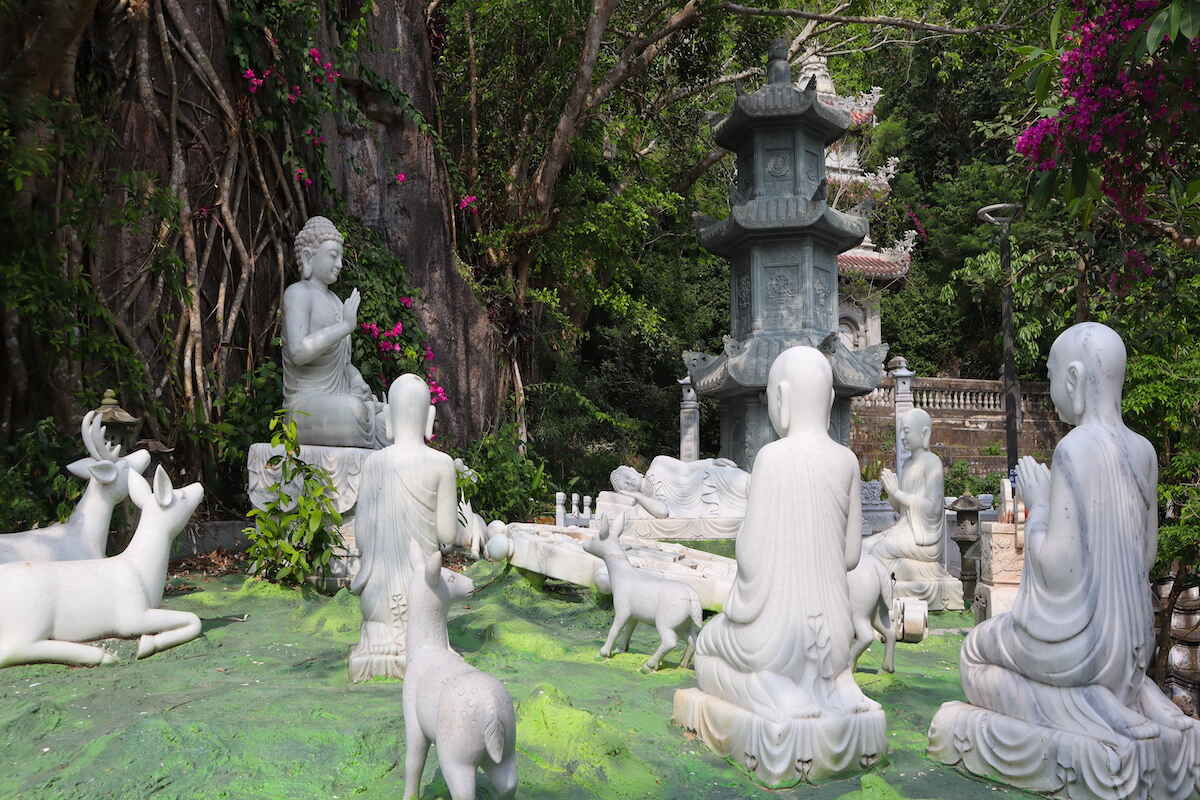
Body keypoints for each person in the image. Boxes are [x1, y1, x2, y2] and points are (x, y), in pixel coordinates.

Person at [958, 322, 1198, 747]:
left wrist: (1040, 503)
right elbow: (1146, 557)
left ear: (1072, 378)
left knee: (974, 652)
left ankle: (1088, 704)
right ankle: (1139, 694)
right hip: (1132, 647)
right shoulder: (1144, 451)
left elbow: (1057, 569)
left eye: (1050, 377)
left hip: (1079, 648)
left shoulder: (1074, 448)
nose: (1050, 389)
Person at [693, 345, 874, 720]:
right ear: (828, 400)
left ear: (782, 398)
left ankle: (774, 687)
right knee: (829, 662)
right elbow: (851, 556)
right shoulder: (847, 461)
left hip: (775, 639)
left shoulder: (771, 458)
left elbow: (751, 557)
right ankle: (839, 683)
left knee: (707, 647)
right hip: (835, 638)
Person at [348, 374, 464, 681]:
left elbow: (361, 535)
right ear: (429, 418)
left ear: (388, 418)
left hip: (376, 601)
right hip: (422, 597)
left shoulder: (374, 464)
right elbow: (447, 535)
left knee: (378, 617)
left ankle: (381, 638)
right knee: (429, 601)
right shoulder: (442, 464)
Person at [282, 216, 387, 448]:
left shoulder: (337, 302)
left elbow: (342, 363)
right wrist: (344, 327)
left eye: (340, 256)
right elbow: (299, 352)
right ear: (309, 257)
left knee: (391, 419)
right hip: (305, 407)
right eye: (333, 256)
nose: (339, 263)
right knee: (355, 412)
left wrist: (355, 380)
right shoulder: (297, 294)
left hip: (337, 400)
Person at [863, 408, 963, 610]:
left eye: (906, 431)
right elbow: (901, 509)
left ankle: (883, 590)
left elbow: (932, 508)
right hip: (905, 527)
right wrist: (891, 491)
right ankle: (878, 588)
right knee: (864, 547)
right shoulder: (907, 464)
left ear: (924, 434)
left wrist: (898, 493)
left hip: (924, 537)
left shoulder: (932, 462)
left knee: (879, 550)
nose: (901, 437)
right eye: (901, 431)